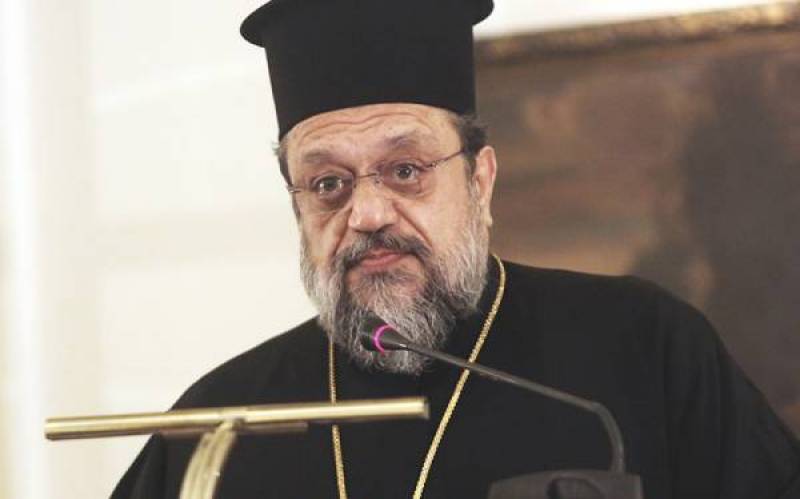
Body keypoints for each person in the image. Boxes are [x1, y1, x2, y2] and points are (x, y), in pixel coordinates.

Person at [111, 1, 800, 498]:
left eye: (406, 169)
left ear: (480, 180)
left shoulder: (644, 346)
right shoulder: (222, 423)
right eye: (327, 183)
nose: (367, 213)